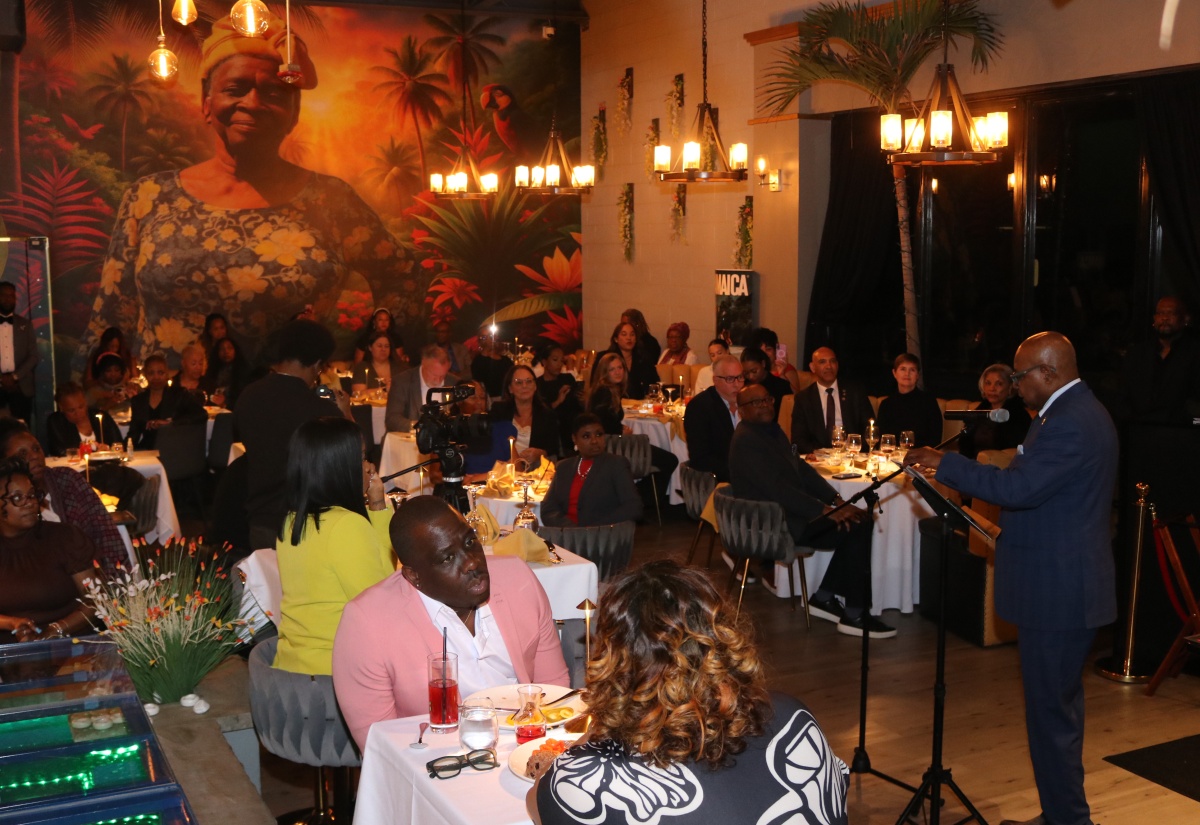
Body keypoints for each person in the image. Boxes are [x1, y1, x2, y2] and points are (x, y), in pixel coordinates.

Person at [79, 14, 415, 369]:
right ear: (207, 103)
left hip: (288, 409)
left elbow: (403, 274)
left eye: (273, 92)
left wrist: (371, 358)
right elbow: (112, 314)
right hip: (172, 410)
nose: (253, 104)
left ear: (294, 112)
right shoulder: (149, 197)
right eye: (235, 89)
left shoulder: (331, 200)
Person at [904, 332, 1117, 825]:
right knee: (1054, 716)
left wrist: (946, 465)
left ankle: (1069, 820)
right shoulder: (1069, 413)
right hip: (1060, 586)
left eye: (1020, 376)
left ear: (1048, 373)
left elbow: (1021, 487)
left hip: (1060, 593)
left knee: (1052, 720)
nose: (1015, 385)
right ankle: (1061, 814)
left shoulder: (1071, 423)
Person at [528, 561, 848, 825]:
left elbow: (539, 804)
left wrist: (605, 721)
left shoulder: (594, 776)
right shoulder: (793, 716)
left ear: (614, 660)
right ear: (722, 635)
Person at [331, 496, 570, 751]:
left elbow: (555, 691)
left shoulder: (518, 580)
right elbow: (380, 745)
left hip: (528, 745)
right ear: (414, 576)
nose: (471, 562)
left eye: (470, 542)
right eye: (447, 559)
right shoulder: (367, 622)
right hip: (438, 765)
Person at [732, 383, 895, 638]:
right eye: (756, 402)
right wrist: (823, 509)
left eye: (767, 399)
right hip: (772, 524)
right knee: (859, 524)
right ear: (741, 410)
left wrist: (836, 500)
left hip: (788, 514)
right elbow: (777, 489)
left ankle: (826, 598)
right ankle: (853, 613)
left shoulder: (770, 431)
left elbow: (802, 470)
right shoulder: (746, 440)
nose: (765, 405)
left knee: (859, 519)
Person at [274, 418, 394, 676]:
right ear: (341, 467)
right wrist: (379, 508)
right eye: (362, 457)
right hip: (335, 674)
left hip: (290, 668)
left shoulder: (291, 521)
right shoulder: (347, 526)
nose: (369, 466)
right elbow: (384, 600)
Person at [234, 319, 352, 549]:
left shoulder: (248, 395)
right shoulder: (318, 409)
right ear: (316, 364)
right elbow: (352, 455)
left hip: (260, 517)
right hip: (303, 526)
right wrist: (345, 412)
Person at [0, 419, 129, 574]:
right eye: (22, 454)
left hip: (93, 576)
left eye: (36, 448)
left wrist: (114, 578)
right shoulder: (8, 504)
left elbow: (104, 529)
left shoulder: (67, 480)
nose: (34, 456)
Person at [0, 457, 102, 643]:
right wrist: (12, 623)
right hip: (8, 649)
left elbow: (96, 601)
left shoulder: (64, 538)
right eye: (17, 498)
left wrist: (53, 631)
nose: (30, 503)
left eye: (31, 495)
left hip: (70, 642)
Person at [541, 414, 642, 527]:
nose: (594, 441)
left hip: (602, 536)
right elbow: (548, 509)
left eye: (599, 434)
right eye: (586, 436)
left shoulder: (616, 464)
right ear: (574, 439)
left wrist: (593, 529)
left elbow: (633, 506)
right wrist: (571, 530)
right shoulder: (564, 467)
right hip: (567, 535)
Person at [1120, 295, 1200, 424]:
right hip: (1138, 427)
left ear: (1185, 319)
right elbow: (1124, 392)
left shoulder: (1194, 354)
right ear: (1154, 319)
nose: (1165, 318)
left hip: (1181, 429)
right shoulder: (1138, 353)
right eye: (1160, 313)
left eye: (1171, 313)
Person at [790, 346, 874, 453]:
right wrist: (819, 453)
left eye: (832, 361)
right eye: (822, 362)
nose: (828, 366)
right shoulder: (803, 398)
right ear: (812, 367)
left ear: (837, 365)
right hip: (818, 459)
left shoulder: (855, 392)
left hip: (852, 455)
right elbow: (798, 440)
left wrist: (854, 449)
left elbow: (870, 430)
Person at [127, 354, 206, 451]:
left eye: (160, 373)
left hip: (175, 448)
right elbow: (133, 435)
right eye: (151, 373)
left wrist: (170, 422)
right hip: (148, 450)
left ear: (167, 374)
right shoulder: (139, 400)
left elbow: (201, 414)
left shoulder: (179, 394)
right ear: (145, 375)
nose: (156, 377)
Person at [683, 355, 743, 483]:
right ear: (715, 380)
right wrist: (739, 473)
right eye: (730, 379)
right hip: (717, 480)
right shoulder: (700, 407)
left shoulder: (747, 402)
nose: (737, 384)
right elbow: (700, 457)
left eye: (740, 377)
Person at [957, 364, 1032, 461]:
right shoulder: (978, 413)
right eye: (988, 383)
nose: (992, 389)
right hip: (973, 467)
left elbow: (1016, 452)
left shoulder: (1018, 416)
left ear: (1010, 387)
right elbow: (964, 446)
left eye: (999, 384)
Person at [490, 364, 560, 468]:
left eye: (529, 381)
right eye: (518, 382)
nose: (524, 386)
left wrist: (540, 453)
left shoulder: (547, 414)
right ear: (510, 389)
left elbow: (554, 451)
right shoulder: (499, 411)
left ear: (535, 386)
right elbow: (492, 444)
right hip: (503, 470)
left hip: (535, 471)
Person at [875, 353, 943, 448]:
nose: (907, 374)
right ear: (894, 373)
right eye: (903, 369)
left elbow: (935, 439)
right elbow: (881, 441)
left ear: (917, 375)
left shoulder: (928, 402)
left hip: (921, 459)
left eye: (912, 370)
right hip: (891, 458)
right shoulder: (886, 405)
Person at [384, 343, 457, 432]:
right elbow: (392, 419)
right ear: (423, 363)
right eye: (434, 375)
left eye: (442, 376)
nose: (438, 380)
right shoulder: (403, 381)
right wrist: (419, 426)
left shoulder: (454, 382)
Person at [46, 382, 123, 456]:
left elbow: (118, 444)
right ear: (61, 408)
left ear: (86, 402)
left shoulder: (101, 417)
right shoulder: (56, 422)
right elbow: (58, 451)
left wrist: (108, 449)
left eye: (81, 407)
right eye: (71, 410)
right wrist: (90, 452)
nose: (78, 413)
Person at [0, 282, 38, 422]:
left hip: (21, 387)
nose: (7, 299)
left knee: (22, 428)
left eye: (11, 296)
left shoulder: (25, 324)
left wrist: (14, 377)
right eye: (3, 295)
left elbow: (33, 356)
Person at [593, 321, 658, 400]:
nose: (629, 338)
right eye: (624, 334)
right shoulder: (605, 358)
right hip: (613, 403)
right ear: (616, 339)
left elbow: (655, 384)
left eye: (632, 334)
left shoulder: (644, 358)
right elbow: (595, 385)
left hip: (641, 405)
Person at [535, 343, 582, 451]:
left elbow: (577, 407)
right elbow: (540, 413)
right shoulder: (538, 385)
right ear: (544, 362)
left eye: (562, 360)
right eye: (555, 360)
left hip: (573, 426)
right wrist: (558, 401)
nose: (559, 364)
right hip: (553, 430)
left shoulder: (568, 379)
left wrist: (584, 399)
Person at [740, 346, 792, 422]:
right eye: (746, 373)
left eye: (754, 371)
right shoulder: (743, 385)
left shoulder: (780, 385)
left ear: (763, 364)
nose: (750, 376)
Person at [748, 327, 804, 394]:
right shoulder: (752, 372)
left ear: (775, 351)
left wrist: (782, 375)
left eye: (768, 349)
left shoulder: (787, 370)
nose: (764, 354)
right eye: (760, 350)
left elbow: (796, 398)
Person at [205, 336, 251, 409]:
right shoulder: (212, 371)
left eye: (229, 348)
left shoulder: (243, 371)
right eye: (222, 349)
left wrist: (225, 403)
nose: (226, 352)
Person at [471, 328, 515, 400]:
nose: (489, 339)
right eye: (484, 337)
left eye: (491, 336)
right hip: (489, 399)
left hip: (509, 396)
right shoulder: (478, 361)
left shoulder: (506, 360)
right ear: (480, 341)